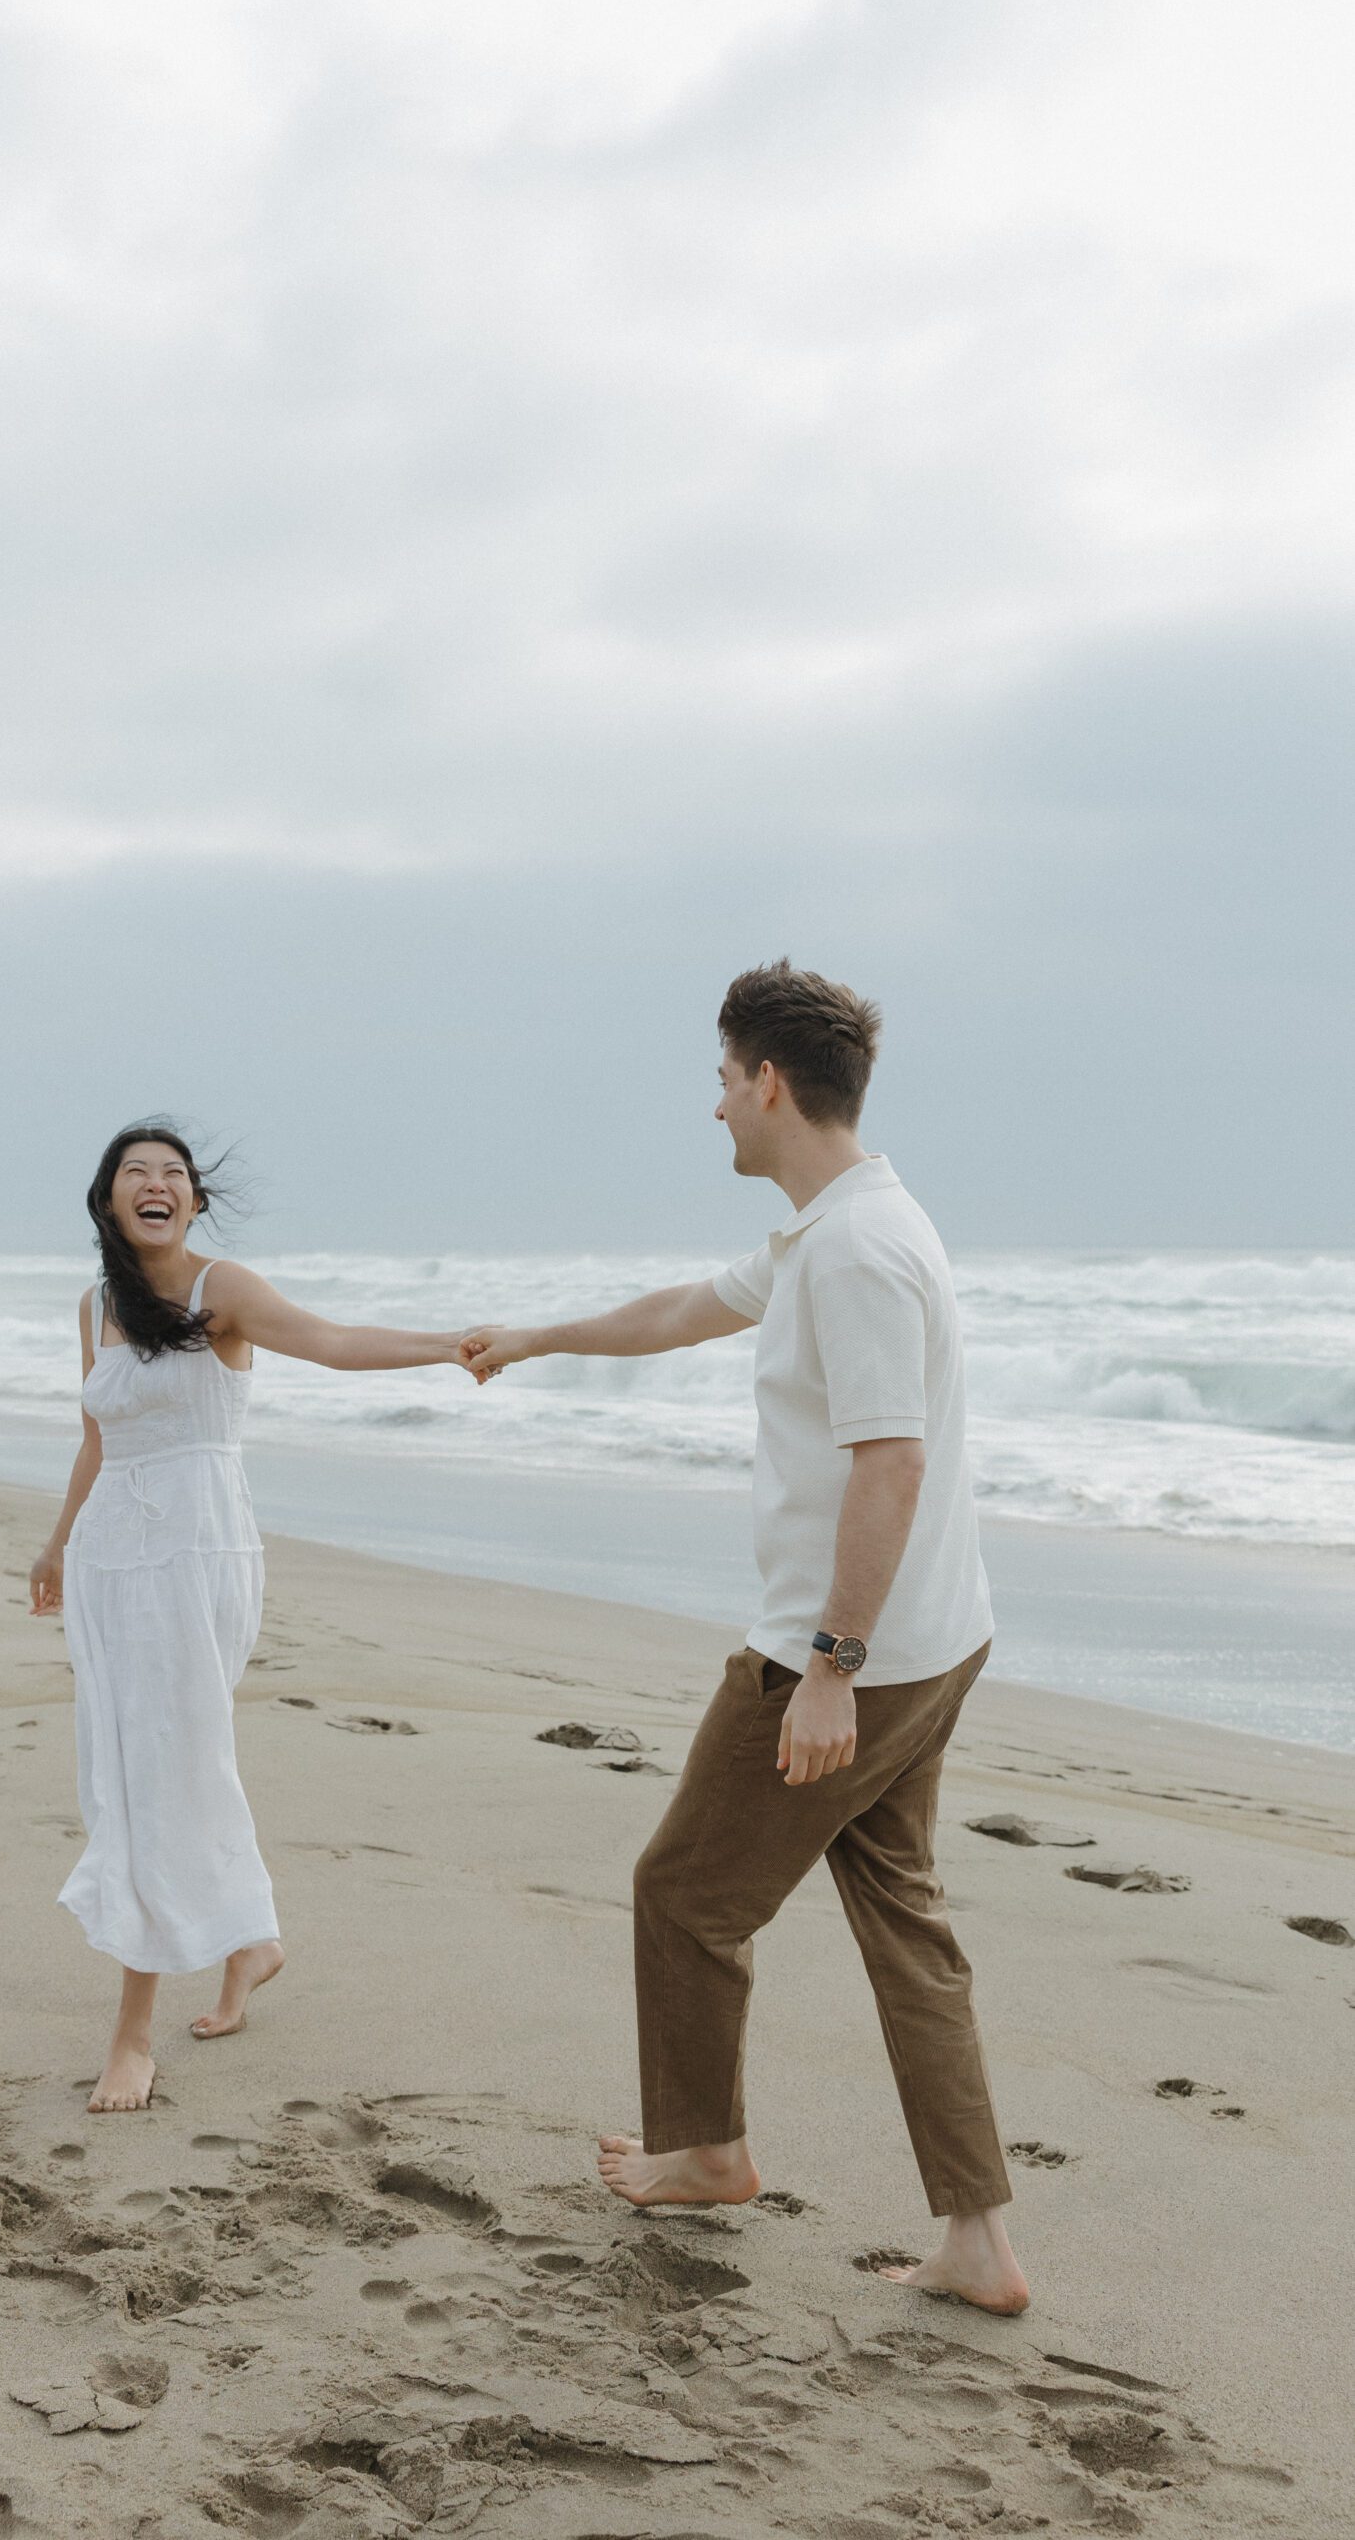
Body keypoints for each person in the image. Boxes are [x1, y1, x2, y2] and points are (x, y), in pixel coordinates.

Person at [461, 959, 1028, 2315]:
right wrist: (535, 1336)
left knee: (682, 1896)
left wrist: (824, 1671)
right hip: (934, 1636)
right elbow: (681, 1311)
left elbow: (886, 1465)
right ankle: (975, 2242)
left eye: (722, 1080)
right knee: (904, 1926)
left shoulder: (855, 1250)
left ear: (767, 1081)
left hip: (849, 1656)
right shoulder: (826, 1228)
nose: (712, 1105)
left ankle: (706, 2152)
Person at [31, 1120, 476, 2114]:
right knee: (147, 1766)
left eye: (174, 1174)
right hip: (112, 1557)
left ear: (194, 1201)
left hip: (197, 1554)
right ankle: (252, 1940)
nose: (156, 1183)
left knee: (165, 1768)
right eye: (135, 1173)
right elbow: (98, 1434)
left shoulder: (217, 1289)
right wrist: (59, 1540)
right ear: (108, 1200)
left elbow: (330, 1341)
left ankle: (133, 2034)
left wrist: (446, 1346)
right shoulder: (95, 1305)